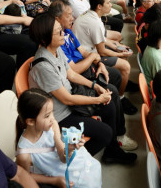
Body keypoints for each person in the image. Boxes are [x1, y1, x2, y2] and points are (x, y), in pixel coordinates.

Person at [27, 14, 137, 164]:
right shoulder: (43, 66)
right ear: (44, 38)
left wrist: (95, 86)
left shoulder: (56, 49)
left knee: (109, 105)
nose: (63, 34)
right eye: (58, 32)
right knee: (105, 133)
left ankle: (112, 151)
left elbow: (71, 74)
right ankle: (72, 163)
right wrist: (97, 99)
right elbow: (68, 99)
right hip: (60, 116)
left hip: (70, 102)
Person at [15, 89, 102, 188]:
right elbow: (25, 176)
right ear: (30, 121)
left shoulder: (51, 125)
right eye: (47, 115)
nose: (52, 118)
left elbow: (63, 157)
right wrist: (54, 181)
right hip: (59, 175)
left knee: (93, 169)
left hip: (66, 164)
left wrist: (69, 148)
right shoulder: (24, 155)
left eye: (52, 112)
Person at [72, 0, 137, 115]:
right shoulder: (94, 22)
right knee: (126, 66)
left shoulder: (92, 15)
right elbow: (101, 51)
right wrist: (120, 54)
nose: (111, 5)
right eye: (108, 3)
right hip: (86, 58)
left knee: (120, 46)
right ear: (99, 6)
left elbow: (102, 39)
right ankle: (121, 97)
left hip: (92, 51)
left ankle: (123, 82)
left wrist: (117, 46)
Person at [49, 0, 124, 98]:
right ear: (57, 19)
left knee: (116, 75)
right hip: (80, 76)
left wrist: (100, 63)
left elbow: (83, 52)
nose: (72, 18)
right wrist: (93, 57)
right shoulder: (57, 43)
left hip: (88, 66)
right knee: (112, 90)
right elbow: (74, 70)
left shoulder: (68, 32)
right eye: (68, 16)